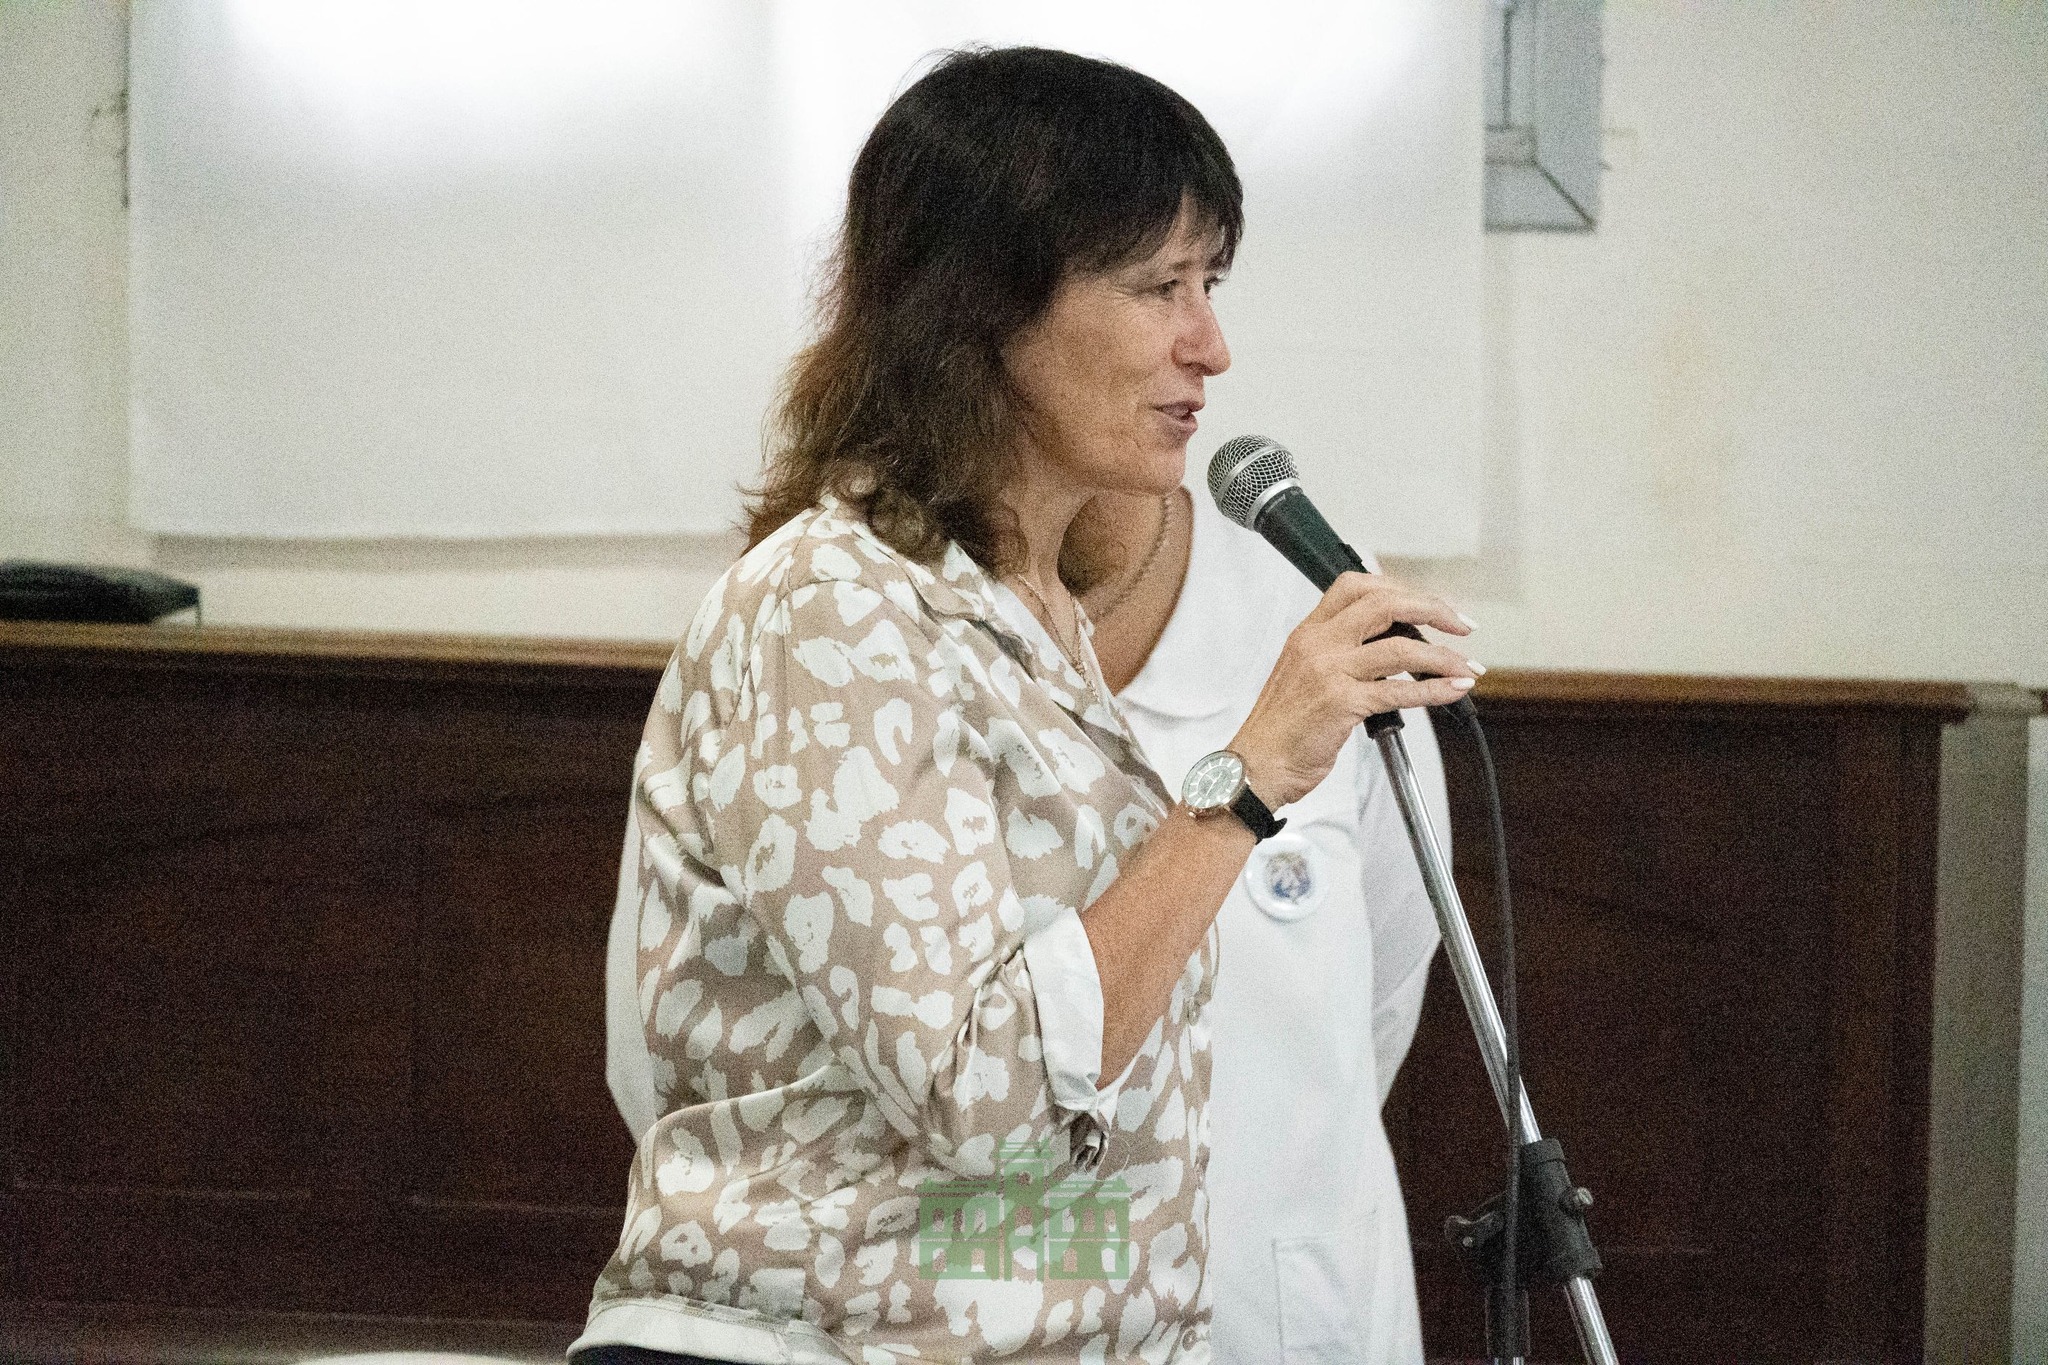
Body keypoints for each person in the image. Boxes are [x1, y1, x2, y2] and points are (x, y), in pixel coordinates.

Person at [576, 45, 1478, 1365]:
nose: (1211, 346)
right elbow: (984, 1093)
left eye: (1211, 285)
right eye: (1159, 287)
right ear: (983, 307)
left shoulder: (1024, 616)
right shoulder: (830, 607)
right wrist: (1243, 782)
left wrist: (1137, 1303)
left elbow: (1028, 1161)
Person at [1077, 487, 1451, 1364]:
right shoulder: (886, 615)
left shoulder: (1311, 602)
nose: (1186, 421)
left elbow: (1393, 971)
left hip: (1299, 1306)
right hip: (1030, 1293)